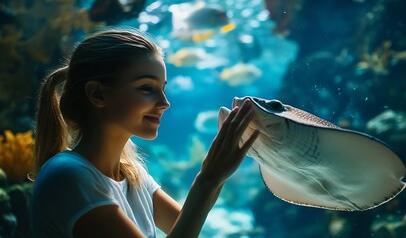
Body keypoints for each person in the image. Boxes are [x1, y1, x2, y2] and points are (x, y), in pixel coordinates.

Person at [31, 29, 259, 238]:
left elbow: (186, 226)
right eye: (146, 88)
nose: (165, 103)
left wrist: (218, 174)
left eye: (163, 89)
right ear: (98, 94)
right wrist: (208, 179)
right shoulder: (69, 176)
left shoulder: (132, 175)